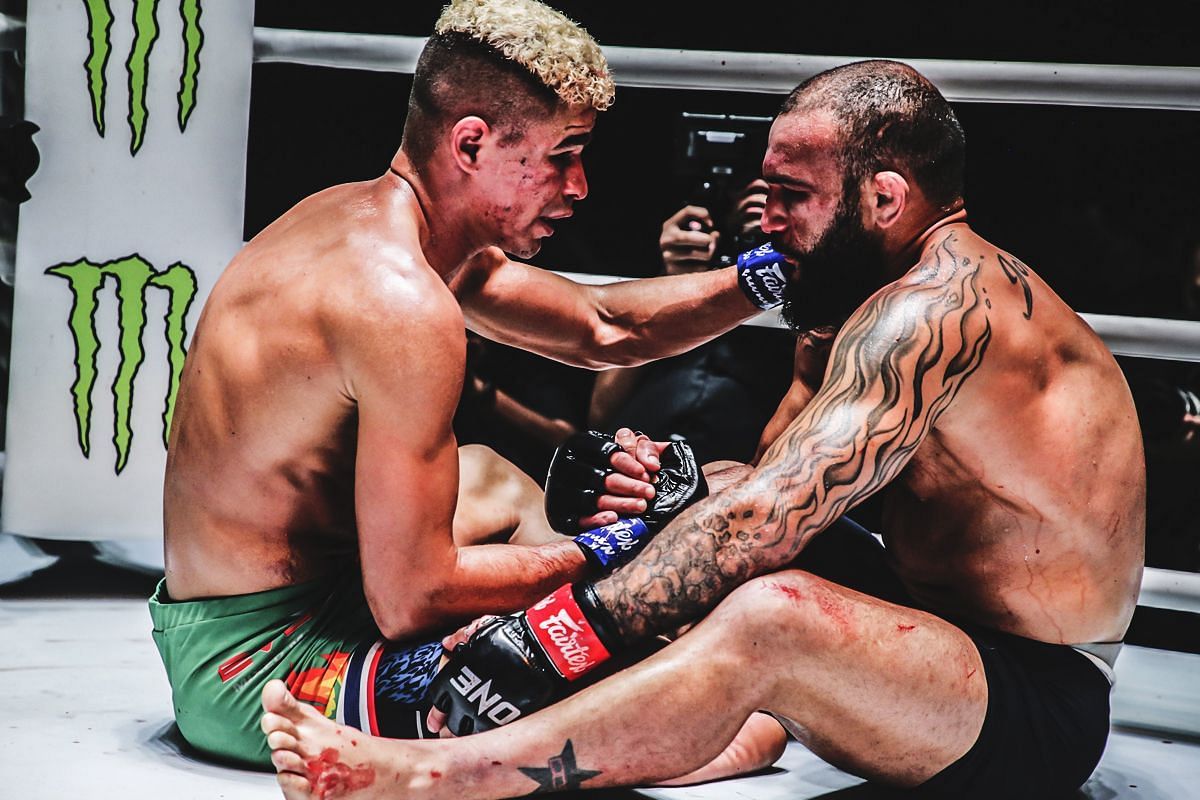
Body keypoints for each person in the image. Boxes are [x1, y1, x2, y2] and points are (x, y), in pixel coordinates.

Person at [260, 59, 1146, 799]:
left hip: (1038, 699)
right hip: (936, 623)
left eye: (793, 197)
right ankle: (719, 728)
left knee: (775, 616)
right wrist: (667, 499)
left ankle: (441, 776)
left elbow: (765, 534)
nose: (767, 221)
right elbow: (761, 489)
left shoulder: (933, 312)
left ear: (884, 197)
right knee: (712, 485)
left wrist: (548, 638)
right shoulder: (853, 302)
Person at [150, 0, 796, 769]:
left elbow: (604, 327)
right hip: (261, 670)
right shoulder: (399, 303)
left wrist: (776, 278)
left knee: (491, 478)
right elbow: (412, 598)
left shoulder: (365, 226)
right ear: (471, 143)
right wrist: (621, 549)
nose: (581, 186)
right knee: (738, 727)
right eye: (564, 154)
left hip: (267, 606)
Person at [589, 178, 795, 465]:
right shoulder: (689, 254)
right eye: (746, 180)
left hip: (751, 461)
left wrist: (789, 255)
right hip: (640, 448)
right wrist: (669, 278)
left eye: (787, 187)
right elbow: (600, 411)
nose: (760, 190)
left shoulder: (815, 279)